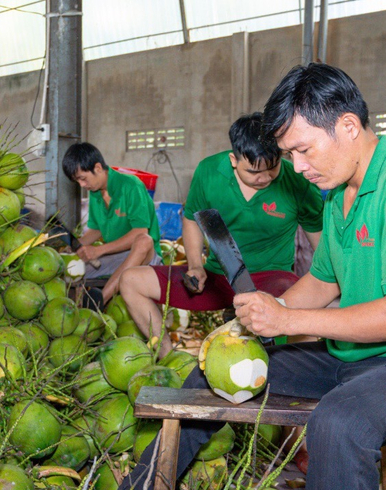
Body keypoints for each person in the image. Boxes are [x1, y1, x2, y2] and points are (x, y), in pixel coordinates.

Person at [104, 63, 386, 490]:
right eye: (290, 154)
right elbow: (323, 283)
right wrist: (256, 319)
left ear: (347, 126)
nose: (298, 167)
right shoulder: (338, 195)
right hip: (354, 357)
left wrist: (288, 321)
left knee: (339, 422)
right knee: (209, 376)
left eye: (303, 150)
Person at [118, 113, 323, 358]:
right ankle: (170, 360)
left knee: (305, 314)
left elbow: (320, 245)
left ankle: (287, 374)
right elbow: (192, 218)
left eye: (273, 168)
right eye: (254, 171)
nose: (265, 178)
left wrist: (324, 286)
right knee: (130, 280)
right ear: (233, 160)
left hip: (273, 278)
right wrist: (195, 266)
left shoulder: (297, 182)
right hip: (218, 276)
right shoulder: (210, 172)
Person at [61, 142, 162, 307]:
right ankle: (72, 311)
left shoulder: (131, 186)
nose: (82, 185)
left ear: (98, 168)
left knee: (144, 240)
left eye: (83, 179)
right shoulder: (95, 193)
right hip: (116, 256)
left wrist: (98, 250)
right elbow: (96, 230)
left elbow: (139, 232)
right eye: (77, 181)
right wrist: (74, 246)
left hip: (147, 257)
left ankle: (100, 300)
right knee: (66, 267)